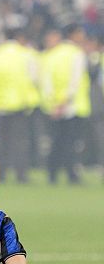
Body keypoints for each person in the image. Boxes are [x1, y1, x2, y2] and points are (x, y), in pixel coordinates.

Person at [0, 28, 39, 183]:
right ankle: (21, 174)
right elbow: (34, 79)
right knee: (20, 141)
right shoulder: (26, 54)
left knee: (3, 142)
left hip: (1, 104)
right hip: (21, 105)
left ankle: (1, 173)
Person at [39, 25, 90, 184]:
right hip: (72, 106)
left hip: (53, 108)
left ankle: (52, 173)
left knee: (57, 142)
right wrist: (64, 103)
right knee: (71, 142)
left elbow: (46, 83)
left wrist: (55, 104)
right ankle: (71, 174)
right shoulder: (77, 53)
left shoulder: (50, 54)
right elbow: (75, 81)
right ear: (73, 35)